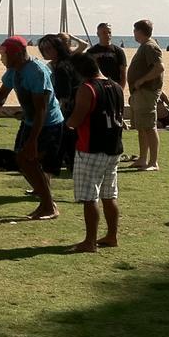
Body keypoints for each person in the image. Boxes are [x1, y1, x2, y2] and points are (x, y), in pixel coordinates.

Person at [0, 36, 65, 220]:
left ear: (16, 53)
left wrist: (32, 141)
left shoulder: (37, 71)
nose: (2, 58)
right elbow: (1, 96)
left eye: (4, 54)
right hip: (31, 122)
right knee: (23, 161)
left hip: (48, 124)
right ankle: (47, 204)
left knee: (30, 160)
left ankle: (49, 206)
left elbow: (41, 110)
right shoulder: (13, 71)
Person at [64, 54, 124, 253]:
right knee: (109, 195)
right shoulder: (116, 86)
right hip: (113, 147)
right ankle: (112, 235)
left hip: (91, 147)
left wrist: (66, 124)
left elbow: (77, 119)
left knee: (90, 197)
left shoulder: (87, 88)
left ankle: (89, 241)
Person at [37, 34, 84, 172]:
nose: (45, 52)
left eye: (49, 48)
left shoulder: (62, 67)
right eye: (43, 49)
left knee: (61, 147)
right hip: (71, 109)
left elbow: (64, 97)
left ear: (57, 48)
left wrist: (56, 116)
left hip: (68, 111)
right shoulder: (61, 64)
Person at [126, 19, 164, 171]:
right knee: (141, 127)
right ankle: (142, 159)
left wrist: (141, 80)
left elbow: (159, 67)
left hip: (146, 92)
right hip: (139, 92)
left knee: (149, 126)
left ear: (140, 31)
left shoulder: (150, 46)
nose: (133, 34)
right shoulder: (144, 46)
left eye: (135, 30)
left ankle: (153, 162)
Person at [86, 22, 128, 89]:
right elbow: (87, 72)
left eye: (109, 32)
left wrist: (121, 89)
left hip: (113, 87)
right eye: (104, 32)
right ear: (98, 34)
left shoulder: (118, 51)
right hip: (97, 88)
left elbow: (123, 73)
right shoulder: (91, 52)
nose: (107, 35)